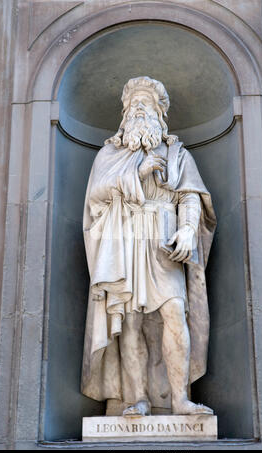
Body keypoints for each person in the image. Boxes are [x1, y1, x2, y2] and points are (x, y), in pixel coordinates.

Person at [81, 76, 216, 416]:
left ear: (159, 113)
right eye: (133, 105)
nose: (138, 109)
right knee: (128, 321)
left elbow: (189, 196)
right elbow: (96, 194)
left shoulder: (176, 153)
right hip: (124, 239)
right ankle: (136, 398)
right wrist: (137, 174)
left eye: (145, 103)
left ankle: (180, 399)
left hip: (163, 239)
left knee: (174, 311)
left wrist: (187, 229)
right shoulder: (110, 153)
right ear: (125, 115)